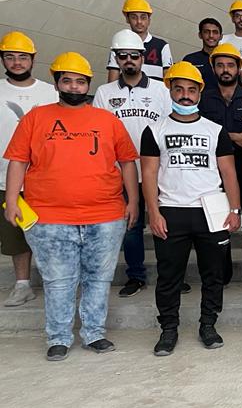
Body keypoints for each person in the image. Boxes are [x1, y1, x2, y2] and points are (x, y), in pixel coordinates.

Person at [4, 52, 138, 361]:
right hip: (49, 217)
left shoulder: (107, 120)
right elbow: (18, 161)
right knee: (58, 281)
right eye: (67, 81)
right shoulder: (35, 118)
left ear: (88, 85)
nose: (74, 87)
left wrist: (132, 201)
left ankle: (94, 333)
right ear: (56, 83)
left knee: (98, 279)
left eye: (80, 81)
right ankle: (59, 337)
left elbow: (128, 162)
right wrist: (11, 200)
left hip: (105, 215)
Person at [140, 61, 241, 356]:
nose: (185, 95)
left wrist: (235, 211)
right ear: (170, 91)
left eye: (191, 90)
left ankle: (208, 324)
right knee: (169, 276)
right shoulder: (154, 130)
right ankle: (168, 329)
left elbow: (229, 173)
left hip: (211, 211)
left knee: (213, 274)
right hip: (171, 211)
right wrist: (153, 212)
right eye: (179, 89)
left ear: (199, 93)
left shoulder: (215, 130)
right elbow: (148, 174)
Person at [93, 28, 173, 298]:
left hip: (157, 171)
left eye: (134, 56)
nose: (129, 60)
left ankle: (169, 275)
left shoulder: (161, 90)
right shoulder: (104, 93)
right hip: (121, 173)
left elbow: (169, 129)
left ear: (143, 57)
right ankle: (136, 276)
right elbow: (100, 134)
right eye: (123, 55)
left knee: (165, 224)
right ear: (116, 58)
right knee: (131, 226)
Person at [197, 43, 242, 290]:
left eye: (230, 65)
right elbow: (201, 133)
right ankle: (221, 275)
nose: (225, 70)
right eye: (220, 65)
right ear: (213, 68)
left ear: (238, 68)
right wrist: (235, 136)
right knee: (219, 223)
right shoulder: (204, 99)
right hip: (213, 172)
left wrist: (223, 136)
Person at [0, 31, 57, 307]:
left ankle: (57, 282)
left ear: (33, 60)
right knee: (15, 236)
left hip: (46, 178)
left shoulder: (49, 92)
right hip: (5, 177)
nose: (17, 62)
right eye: (10, 57)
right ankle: (22, 285)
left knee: (52, 235)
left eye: (22, 57)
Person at [105, 0, 173, 83]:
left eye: (143, 17)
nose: (139, 21)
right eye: (134, 17)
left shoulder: (162, 46)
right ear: (127, 19)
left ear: (149, 20)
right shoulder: (118, 45)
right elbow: (112, 83)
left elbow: (169, 82)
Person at [183, 18, 223, 90]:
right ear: (200, 35)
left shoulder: (228, 60)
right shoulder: (190, 60)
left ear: (221, 36)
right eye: (206, 32)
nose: (211, 35)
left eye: (215, 32)